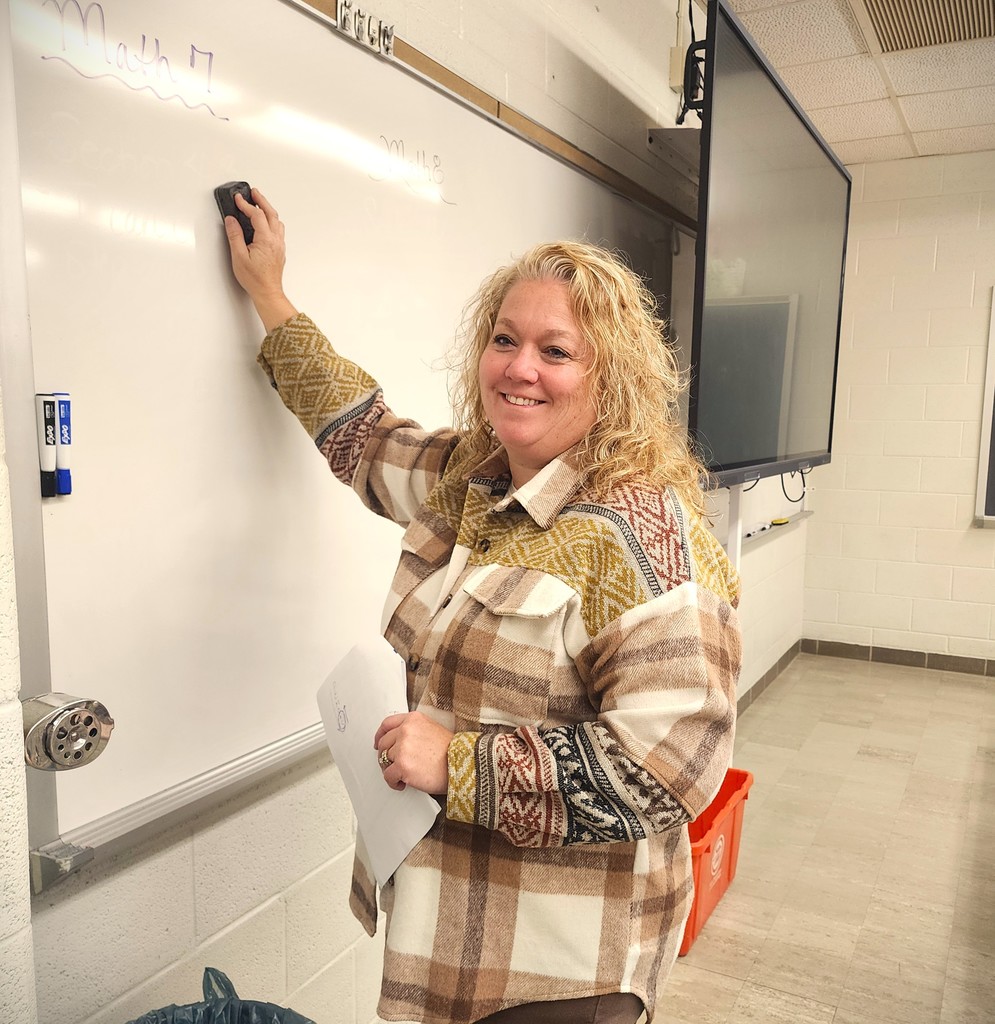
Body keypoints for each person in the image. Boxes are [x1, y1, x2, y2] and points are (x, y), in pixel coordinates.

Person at [223, 189, 742, 1024]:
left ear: (609, 376)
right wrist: (270, 295)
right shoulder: (474, 474)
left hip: (559, 973)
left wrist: (458, 762)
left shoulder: (644, 537)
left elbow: (668, 770)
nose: (519, 367)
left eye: (555, 350)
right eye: (504, 339)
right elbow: (362, 437)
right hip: (446, 943)